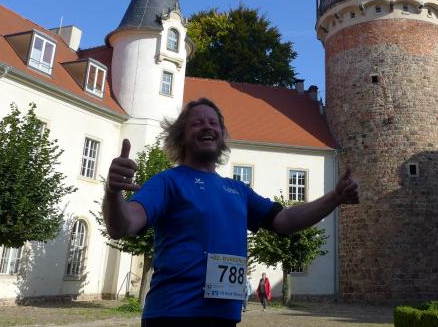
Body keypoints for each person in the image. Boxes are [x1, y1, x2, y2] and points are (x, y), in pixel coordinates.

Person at [102, 98, 359, 327]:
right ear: (181, 137)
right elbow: (123, 225)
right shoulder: (167, 182)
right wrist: (113, 193)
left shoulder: (238, 190)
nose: (207, 127)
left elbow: (286, 221)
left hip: (224, 317)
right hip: (173, 314)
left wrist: (334, 198)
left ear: (222, 136)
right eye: (197, 123)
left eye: (213, 123)